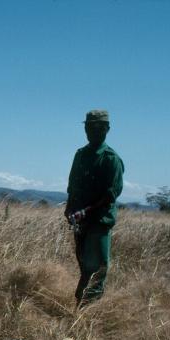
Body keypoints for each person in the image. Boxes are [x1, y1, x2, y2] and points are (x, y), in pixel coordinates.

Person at [64, 110, 124, 307]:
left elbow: (110, 195)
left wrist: (86, 211)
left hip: (99, 221)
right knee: (84, 267)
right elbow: (72, 185)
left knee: (96, 270)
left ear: (107, 129)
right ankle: (79, 309)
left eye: (98, 127)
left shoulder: (111, 159)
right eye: (89, 127)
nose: (93, 131)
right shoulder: (80, 155)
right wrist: (70, 209)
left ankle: (90, 316)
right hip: (80, 221)